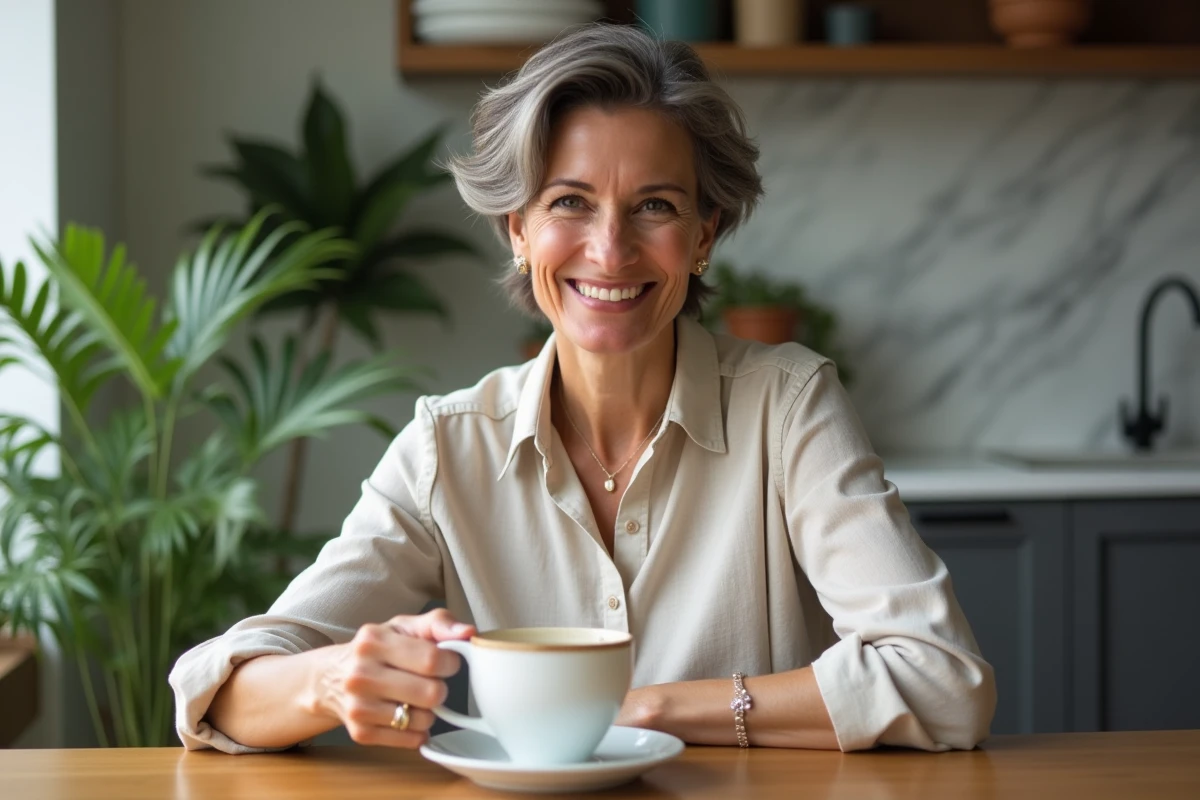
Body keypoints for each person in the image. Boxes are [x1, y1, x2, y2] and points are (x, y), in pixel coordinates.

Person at [169, 23, 995, 755]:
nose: (609, 250)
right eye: (570, 202)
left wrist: (649, 709)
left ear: (703, 237)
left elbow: (943, 679)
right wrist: (329, 681)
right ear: (518, 231)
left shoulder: (789, 408)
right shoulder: (447, 447)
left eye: (655, 206)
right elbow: (217, 691)